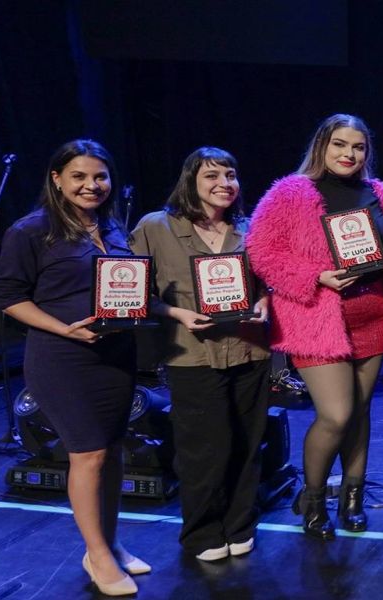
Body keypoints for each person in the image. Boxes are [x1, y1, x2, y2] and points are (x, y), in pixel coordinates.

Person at [247, 114, 383, 538]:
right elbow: (260, 251)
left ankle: (352, 497)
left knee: (360, 412)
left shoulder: (379, 193)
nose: (349, 154)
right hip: (317, 321)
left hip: (373, 315)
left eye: (358, 147)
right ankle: (313, 496)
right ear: (322, 145)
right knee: (336, 414)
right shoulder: (290, 192)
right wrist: (315, 276)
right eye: (340, 144)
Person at [0, 140, 144, 595]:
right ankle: (96, 555)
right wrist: (64, 329)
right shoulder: (31, 230)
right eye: (79, 176)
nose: (91, 185)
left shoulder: (112, 226)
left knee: (112, 452)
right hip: (62, 359)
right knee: (88, 453)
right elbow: (6, 297)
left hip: (115, 356)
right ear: (57, 179)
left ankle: (111, 543)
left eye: (100, 176)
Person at [129, 147, 271, 560]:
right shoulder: (156, 226)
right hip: (192, 355)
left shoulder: (251, 228)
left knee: (247, 443)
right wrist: (176, 313)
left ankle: (240, 524)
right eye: (212, 176)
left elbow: (268, 283)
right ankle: (203, 532)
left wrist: (265, 301)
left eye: (230, 175)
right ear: (190, 181)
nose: (224, 183)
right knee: (203, 448)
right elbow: (133, 292)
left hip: (249, 350)